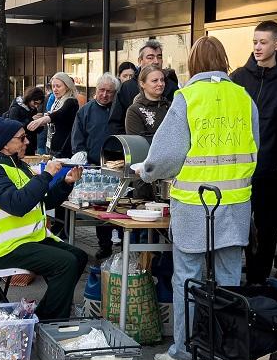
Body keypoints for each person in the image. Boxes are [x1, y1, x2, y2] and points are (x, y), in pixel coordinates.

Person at [139, 36, 258, 360]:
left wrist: (147, 172)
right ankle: (227, 352)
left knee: (187, 278)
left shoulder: (186, 98)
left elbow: (165, 156)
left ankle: (184, 351)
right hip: (235, 205)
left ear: (193, 64)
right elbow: (255, 147)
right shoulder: (243, 97)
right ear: (223, 60)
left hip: (194, 205)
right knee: (230, 279)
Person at [0, 117, 88, 320]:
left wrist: (65, 183)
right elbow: (18, 205)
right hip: (3, 247)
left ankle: (49, 312)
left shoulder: (16, 164)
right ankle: (49, 320)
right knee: (65, 263)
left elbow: (43, 201)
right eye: (22, 138)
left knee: (78, 257)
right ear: (5, 143)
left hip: (26, 240)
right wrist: (46, 176)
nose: (27, 142)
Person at [231, 20, 277, 286]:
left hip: (273, 168)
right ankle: (251, 272)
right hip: (241, 167)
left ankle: (259, 281)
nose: (258, 47)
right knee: (243, 226)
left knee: (269, 227)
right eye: (254, 42)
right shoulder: (239, 77)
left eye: (263, 42)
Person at [72, 73, 119, 259]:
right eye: (102, 90)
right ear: (96, 90)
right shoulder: (85, 111)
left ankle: (123, 245)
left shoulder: (119, 110)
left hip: (117, 166)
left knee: (118, 209)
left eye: (109, 92)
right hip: (94, 167)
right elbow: (78, 138)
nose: (105, 95)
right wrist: (82, 157)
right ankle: (104, 245)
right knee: (100, 210)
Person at [108, 40, 179, 135]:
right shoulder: (127, 87)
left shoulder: (171, 86)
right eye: (150, 57)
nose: (156, 61)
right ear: (140, 61)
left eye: (159, 57)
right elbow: (115, 123)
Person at [28, 72, 79, 157]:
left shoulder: (71, 101)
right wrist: (43, 117)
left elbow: (59, 114)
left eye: (58, 86)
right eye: (53, 86)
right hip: (53, 145)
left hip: (65, 148)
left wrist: (43, 120)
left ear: (66, 87)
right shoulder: (57, 100)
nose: (55, 89)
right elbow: (55, 115)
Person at [125, 65, 171, 140]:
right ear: (142, 84)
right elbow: (137, 143)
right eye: (155, 80)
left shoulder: (171, 107)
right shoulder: (135, 111)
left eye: (162, 80)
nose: (160, 84)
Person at [6, 86, 46, 156]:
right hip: (19, 145)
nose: (36, 106)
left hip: (30, 145)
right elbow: (14, 127)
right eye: (35, 103)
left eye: (39, 104)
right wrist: (32, 121)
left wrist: (40, 124)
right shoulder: (15, 108)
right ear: (29, 99)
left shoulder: (33, 109)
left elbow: (34, 130)